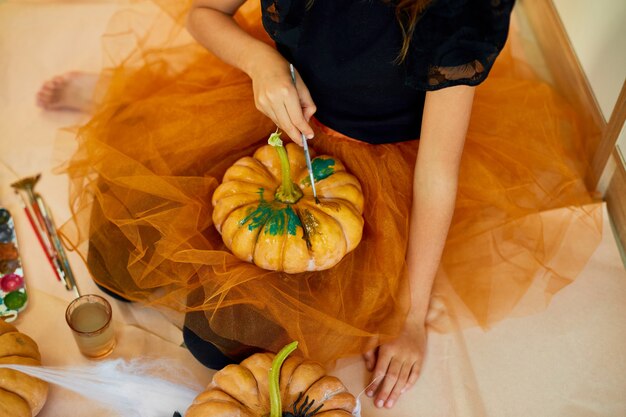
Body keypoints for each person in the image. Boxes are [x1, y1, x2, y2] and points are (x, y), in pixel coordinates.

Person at [43, 0, 601, 410]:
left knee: (217, 349)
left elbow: (436, 175)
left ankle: (125, 93)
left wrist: (409, 318)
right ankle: (120, 90)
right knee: (117, 258)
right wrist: (261, 63)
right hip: (268, 110)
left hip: (372, 160)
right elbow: (203, 14)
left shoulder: (456, 10)